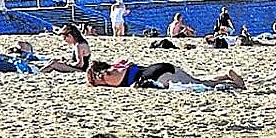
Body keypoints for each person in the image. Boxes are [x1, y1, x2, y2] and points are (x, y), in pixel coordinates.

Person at [87, 60, 245, 89]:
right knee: (198, 80)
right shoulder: (116, 65)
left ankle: (235, 85)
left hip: (158, 76)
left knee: (202, 85)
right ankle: (225, 75)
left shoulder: (107, 75)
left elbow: (118, 82)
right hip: (159, 68)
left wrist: (98, 81)